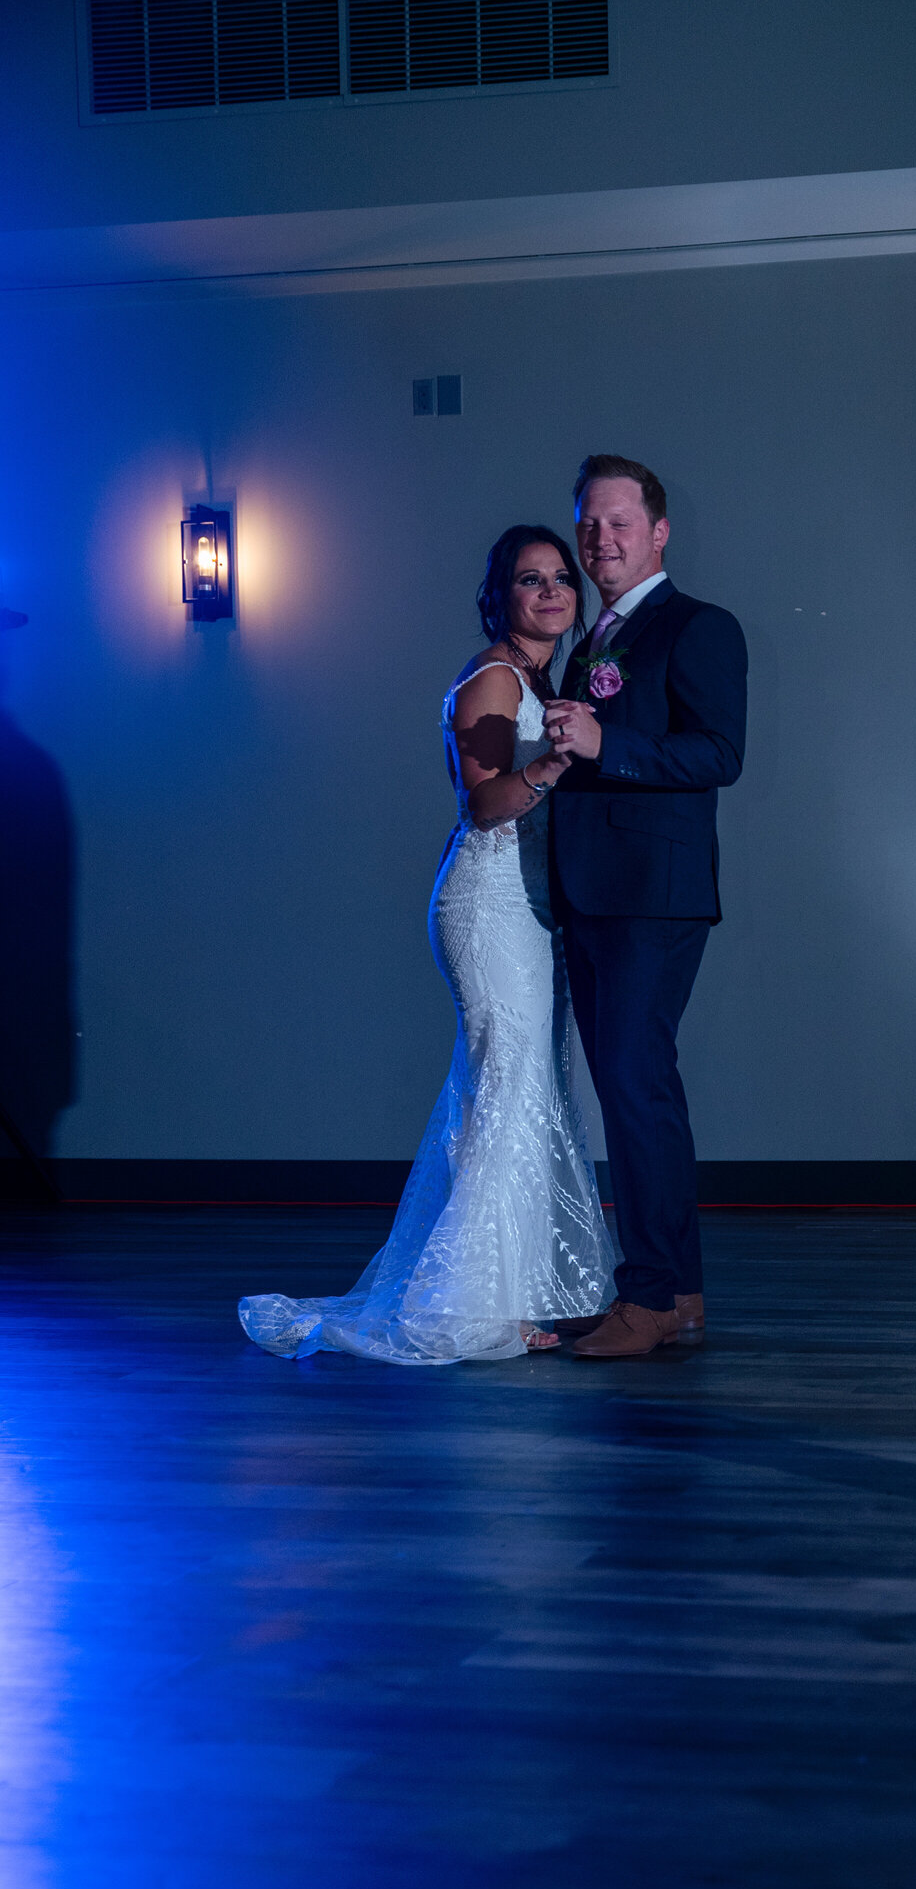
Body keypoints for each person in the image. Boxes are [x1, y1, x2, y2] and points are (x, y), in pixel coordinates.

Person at [239, 526, 614, 1365]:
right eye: (531, 580)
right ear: (500, 597)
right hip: (490, 907)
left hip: (535, 907)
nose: (553, 591)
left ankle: (517, 1293)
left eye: (562, 578)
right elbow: (483, 806)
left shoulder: (535, 678)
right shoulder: (491, 677)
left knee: (522, 1087)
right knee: (508, 1086)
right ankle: (474, 1306)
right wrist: (555, 761)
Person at [541, 455, 747, 1359]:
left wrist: (605, 742)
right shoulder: (592, 639)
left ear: (658, 532)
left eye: (620, 522)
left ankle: (651, 1294)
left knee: (634, 1086)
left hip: (652, 898)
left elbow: (717, 754)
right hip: (593, 893)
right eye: (590, 523)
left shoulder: (699, 627)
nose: (601, 539)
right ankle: (680, 1291)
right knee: (639, 1089)